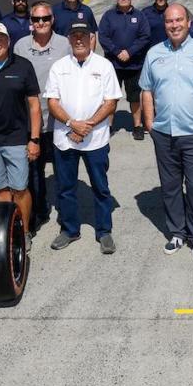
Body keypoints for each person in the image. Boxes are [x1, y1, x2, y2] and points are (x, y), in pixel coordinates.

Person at [139, 4, 193, 261]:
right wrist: (150, 123)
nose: (174, 25)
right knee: (169, 186)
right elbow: (146, 90)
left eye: (179, 20)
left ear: (189, 22)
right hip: (164, 133)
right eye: (169, 21)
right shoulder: (155, 53)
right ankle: (177, 232)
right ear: (164, 24)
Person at [45, 22, 122, 254]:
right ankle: (69, 230)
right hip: (65, 137)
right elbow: (52, 101)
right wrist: (72, 124)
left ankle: (104, 231)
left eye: (83, 35)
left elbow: (111, 101)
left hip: (95, 139)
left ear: (91, 39)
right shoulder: (59, 67)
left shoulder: (104, 65)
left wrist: (87, 125)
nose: (78, 39)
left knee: (100, 187)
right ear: (69, 39)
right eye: (74, 36)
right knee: (66, 187)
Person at [0, 22, 42, 236]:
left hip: (16, 138)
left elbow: (34, 104)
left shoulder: (23, 65)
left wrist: (35, 139)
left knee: (20, 188)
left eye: (0, 38)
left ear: (8, 41)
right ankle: (9, 231)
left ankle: (24, 231)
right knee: (0, 189)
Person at [14, 1, 72, 230]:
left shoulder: (64, 44)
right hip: (32, 122)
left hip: (58, 120)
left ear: (52, 19)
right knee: (34, 172)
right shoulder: (20, 46)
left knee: (63, 169)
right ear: (30, 22)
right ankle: (38, 211)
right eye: (36, 19)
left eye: (45, 18)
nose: (41, 23)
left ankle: (67, 214)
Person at [98, 0, 151, 140]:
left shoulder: (140, 16)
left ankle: (137, 126)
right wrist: (116, 52)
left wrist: (130, 52)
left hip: (134, 65)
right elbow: (103, 36)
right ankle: (108, 126)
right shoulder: (108, 16)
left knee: (134, 98)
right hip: (113, 65)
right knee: (111, 97)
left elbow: (145, 37)